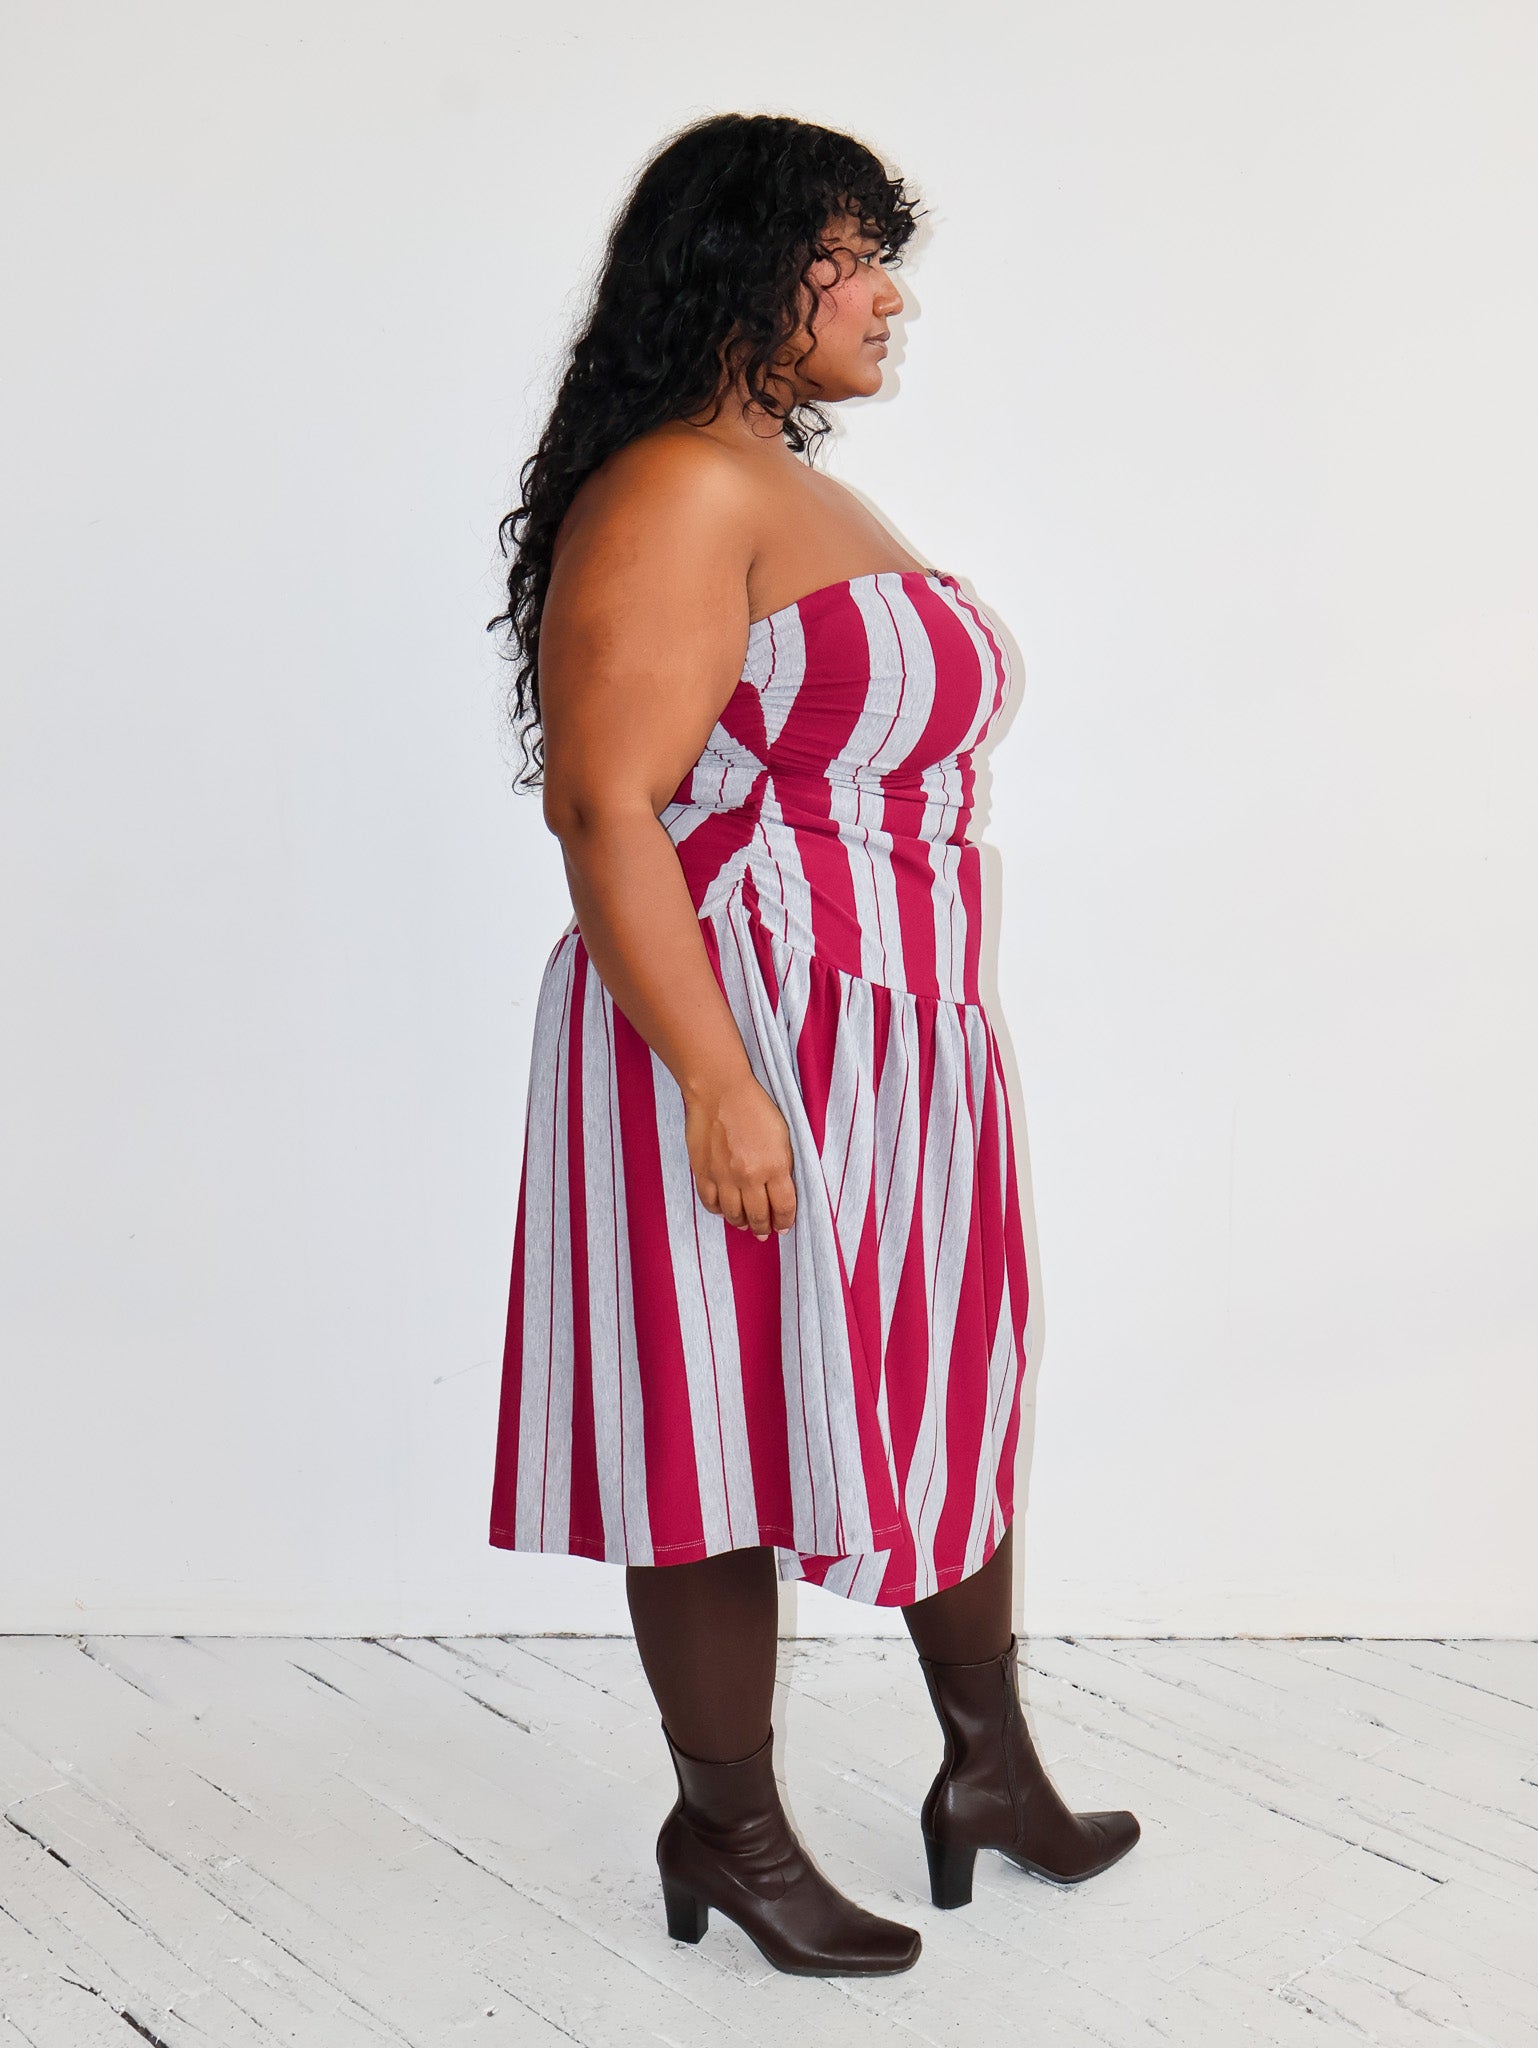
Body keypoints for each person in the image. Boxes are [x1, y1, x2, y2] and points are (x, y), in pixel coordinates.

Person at [484, 111, 1139, 1979]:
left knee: (943, 1388)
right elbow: (606, 806)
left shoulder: (768, 479)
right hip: (739, 1022)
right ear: (739, 271)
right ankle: (730, 1827)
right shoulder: (679, 486)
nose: (883, 295)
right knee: (709, 1422)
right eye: (844, 257)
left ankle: (987, 1773)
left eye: (878, 259)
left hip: (897, 1032)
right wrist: (715, 1081)